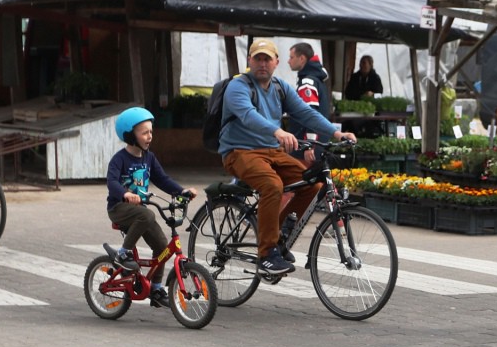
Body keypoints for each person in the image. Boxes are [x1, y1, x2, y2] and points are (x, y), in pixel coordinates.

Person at [219, 38, 355, 276]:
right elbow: (248, 115)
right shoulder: (238, 86)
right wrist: (277, 131)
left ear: (276, 63)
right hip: (239, 152)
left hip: (271, 152)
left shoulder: (280, 87)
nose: (262, 63)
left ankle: (278, 234)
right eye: (257, 58)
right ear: (249, 61)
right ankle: (267, 254)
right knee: (272, 185)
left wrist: (336, 132)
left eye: (267, 59)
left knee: (312, 183)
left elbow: (304, 112)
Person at [103, 107, 198, 307]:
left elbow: (162, 179)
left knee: (163, 248)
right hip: (119, 209)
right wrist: (125, 194)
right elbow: (111, 182)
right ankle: (123, 253)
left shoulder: (149, 158)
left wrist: (181, 192)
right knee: (146, 214)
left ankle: (156, 289)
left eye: (151, 132)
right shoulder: (120, 159)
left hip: (140, 214)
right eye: (144, 132)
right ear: (130, 135)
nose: (149, 136)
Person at [285, 42, 332, 139]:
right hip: (318, 139)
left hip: (307, 142)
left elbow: (310, 112)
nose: (288, 61)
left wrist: (310, 142)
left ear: (302, 58)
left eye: (291, 57)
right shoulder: (316, 78)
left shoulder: (307, 82)